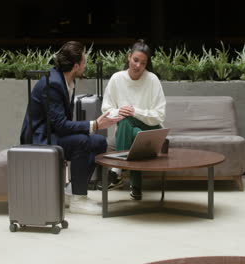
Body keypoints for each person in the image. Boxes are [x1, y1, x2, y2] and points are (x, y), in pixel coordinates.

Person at [20, 41, 122, 215]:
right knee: (82, 141)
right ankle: (78, 200)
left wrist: (94, 128)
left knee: (98, 141)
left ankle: (74, 192)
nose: (85, 65)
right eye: (84, 61)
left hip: (53, 133)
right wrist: (95, 124)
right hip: (40, 138)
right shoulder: (52, 84)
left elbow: (60, 124)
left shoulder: (66, 80)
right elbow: (60, 125)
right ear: (76, 66)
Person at [101, 39, 166, 200]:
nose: (138, 66)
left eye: (143, 63)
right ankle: (136, 187)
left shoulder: (152, 80)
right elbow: (106, 110)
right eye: (135, 60)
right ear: (129, 57)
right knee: (132, 130)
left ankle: (116, 170)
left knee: (131, 123)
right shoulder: (117, 79)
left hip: (152, 130)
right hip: (129, 130)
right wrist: (121, 111)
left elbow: (159, 115)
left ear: (146, 64)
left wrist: (135, 111)